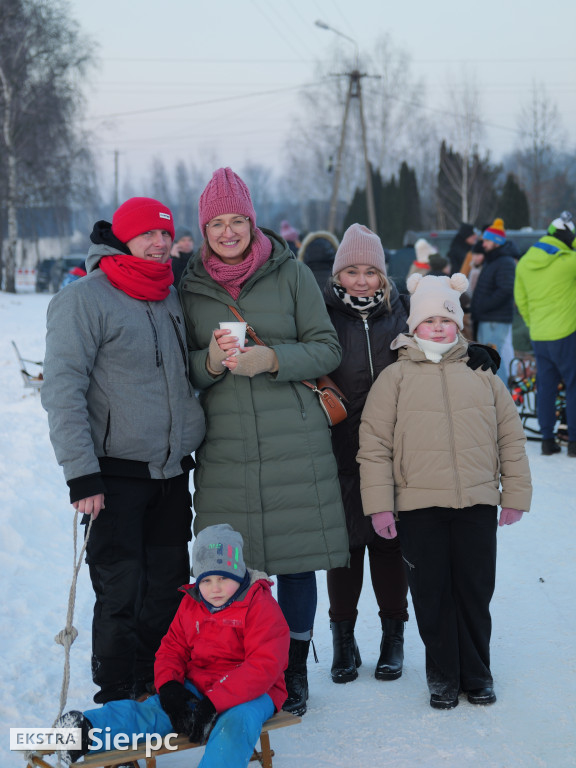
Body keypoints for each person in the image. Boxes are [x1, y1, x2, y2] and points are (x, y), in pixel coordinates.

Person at [178, 167, 349, 716]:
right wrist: (207, 360)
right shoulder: (187, 287)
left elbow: (326, 349)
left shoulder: (293, 274)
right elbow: (182, 369)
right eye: (217, 223)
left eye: (237, 221)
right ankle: (244, 672)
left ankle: (294, 673)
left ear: (253, 222)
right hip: (225, 445)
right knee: (234, 570)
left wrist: (272, 358)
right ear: (204, 229)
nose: (228, 232)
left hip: (293, 439)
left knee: (297, 563)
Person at [41, 197, 206, 704]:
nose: (160, 245)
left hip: (172, 475)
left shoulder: (170, 296)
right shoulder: (84, 299)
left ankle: (158, 688)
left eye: (165, 235)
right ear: (123, 238)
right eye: (148, 236)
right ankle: (117, 699)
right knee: (121, 593)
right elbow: (62, 389)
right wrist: (82, 476)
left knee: (168, 588)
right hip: (113, 479)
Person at [358, 273, 532, 710]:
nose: (437, 327)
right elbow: (374, 446)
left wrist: (513, 494)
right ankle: (443, 675)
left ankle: (477, 673)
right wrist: (380, 507)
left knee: (474, 590)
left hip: (475, 502)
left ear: (459, 324)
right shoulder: (395, 379)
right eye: (428, 319)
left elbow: (510, 438)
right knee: (432, 595)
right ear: (412, 326)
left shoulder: (483, 375)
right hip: (418, 507)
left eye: (446, 318)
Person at [56, 524, 290, 768]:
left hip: (254, 693)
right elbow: (172, 648)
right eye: (207, 580)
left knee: (235, 725)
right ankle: (85, 731)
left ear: (239, 574)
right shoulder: (192, 604)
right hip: (200, 684)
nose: (215, 588)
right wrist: (169, 688)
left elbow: (264, 665)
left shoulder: (259, 605)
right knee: (153, 712)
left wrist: (215, 702)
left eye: (223, 578)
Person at [323, 224, 410, 685]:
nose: (361, 280)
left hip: (392, 452)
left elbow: (437, 350)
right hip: (337, 448)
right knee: (345, 547)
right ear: (339, 276)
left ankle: (393, 638)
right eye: (352, 271)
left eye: (370, 272)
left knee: (389, 543)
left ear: (382, 275)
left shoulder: (401, 316)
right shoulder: (323, 315)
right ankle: (343, 639)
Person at [514, 211, 576, 457]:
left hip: (539, 335)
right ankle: (572, 442)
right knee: (572, 385)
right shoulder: (569, 260)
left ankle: (547, 440)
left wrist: (534, 323)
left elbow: (521, 300)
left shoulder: (525, 262)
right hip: (567, 332)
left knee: (547, 386)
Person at [471, 218, 519, 384]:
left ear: (496, 242)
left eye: (486, 240)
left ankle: (503, 397)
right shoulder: (493, 260)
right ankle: (494, 396)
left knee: (495, 360)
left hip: (494, 320)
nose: (483, 244)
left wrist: (484, 306)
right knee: (488, 359)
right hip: (487, 318)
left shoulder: (504, 262)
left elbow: (505, 290)